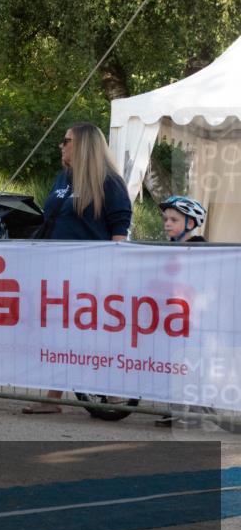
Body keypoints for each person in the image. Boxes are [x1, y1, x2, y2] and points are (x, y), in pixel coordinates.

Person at [23, 122, 132, 414]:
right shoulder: (63, 179)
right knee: (60, 334)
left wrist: (115, 272)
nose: (61, 145)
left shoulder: (108, 182)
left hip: (91, 274)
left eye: (66, 140)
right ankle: (52, 398)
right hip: (56, 272)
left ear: (83, 145)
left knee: (91, 335)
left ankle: (111, 393)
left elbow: (120, 228)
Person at [155, 196, 207, 427]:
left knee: (193, 364)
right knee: (174, 364)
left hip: (196, 318)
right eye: (166, 219)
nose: (167, 223)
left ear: (190, 223)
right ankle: (175, 409)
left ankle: (198, 410)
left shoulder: (202, 248)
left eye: (173, 219)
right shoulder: (170, 248)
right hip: (174, 318)